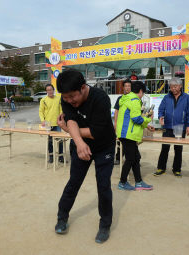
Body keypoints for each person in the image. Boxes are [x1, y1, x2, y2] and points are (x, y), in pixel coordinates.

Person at [54, 69, 116, 243]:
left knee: (103, 186)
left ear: (82, 88)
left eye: (72, 97)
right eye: (65, 98)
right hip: (81, 145)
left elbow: (95, 132)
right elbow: (71, 119)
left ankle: (105, 225)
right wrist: (79, 143)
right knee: (74, 182)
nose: (68, 101)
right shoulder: (66, 98)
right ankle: (62, 216)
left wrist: (67, 130)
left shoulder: (100, 98)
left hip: (104, 146)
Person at [116, 81, 154, 190]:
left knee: (135, 157)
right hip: (128, 134)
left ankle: (139, 181)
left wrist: (146, 125)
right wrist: (148, 120)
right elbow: (136, 118)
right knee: (131, 158)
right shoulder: (134, 100)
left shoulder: (127, 99)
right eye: (143, 92)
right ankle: (122, 182)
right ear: (141, 91)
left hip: (126, 133)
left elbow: (133, 118)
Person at [154, 77, 189, 177]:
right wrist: (160, 116)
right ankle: (161, 168)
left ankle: (177, 169)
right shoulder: (166, 97)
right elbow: (161, 109)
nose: (173, 89)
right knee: (164, 148)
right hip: (167, 126)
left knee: (178, 149)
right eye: (171, 87)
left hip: (180, 127)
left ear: (180, 86)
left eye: (175, 86)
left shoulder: (186, 98)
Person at [39, 84, 63, 163]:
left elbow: (61, 110)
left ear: (53, 90)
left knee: (60, 141)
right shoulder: (43, 100)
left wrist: (60, 117)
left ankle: (61, 157)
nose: (50, 91)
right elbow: (41, 111)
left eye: (51, 89)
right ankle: (51, 157)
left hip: (57, 123)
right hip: (47, 124)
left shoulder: (58, 98)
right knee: (50, 141)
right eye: (48, 90)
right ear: (46, 91)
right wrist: (42, 120)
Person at [113, 79, 132, 165]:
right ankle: (118, 158)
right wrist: (116, 122)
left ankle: (133, 159)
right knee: (119, 142)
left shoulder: (134, 98)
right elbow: (116, 110)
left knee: (131, 143)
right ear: (123, 87)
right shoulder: (120, 98)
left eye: (129, 86)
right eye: (126, 86)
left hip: (130, 125)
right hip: (121, 125)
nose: (127, 88)